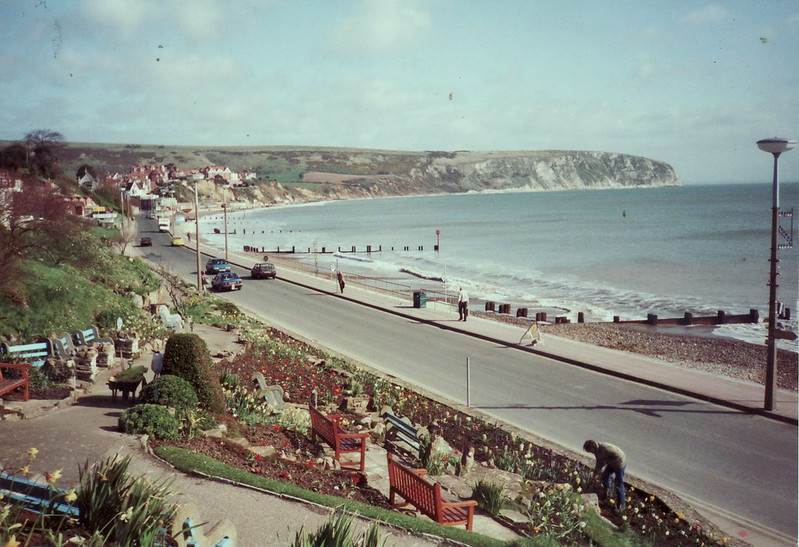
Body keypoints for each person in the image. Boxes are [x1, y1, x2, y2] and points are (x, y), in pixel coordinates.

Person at [583, 440, 627, 510]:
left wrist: (606, 461)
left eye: (590, 451)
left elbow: (618, 455)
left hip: (620, 463)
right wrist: (596, 473)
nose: (590, 453)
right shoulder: (596, 451)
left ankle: (622, 505)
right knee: (605, 476)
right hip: (611, 464)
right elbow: (599, 462)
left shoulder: (606, 448)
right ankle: (607, 494)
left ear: (593, 446)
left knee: (619, 484)